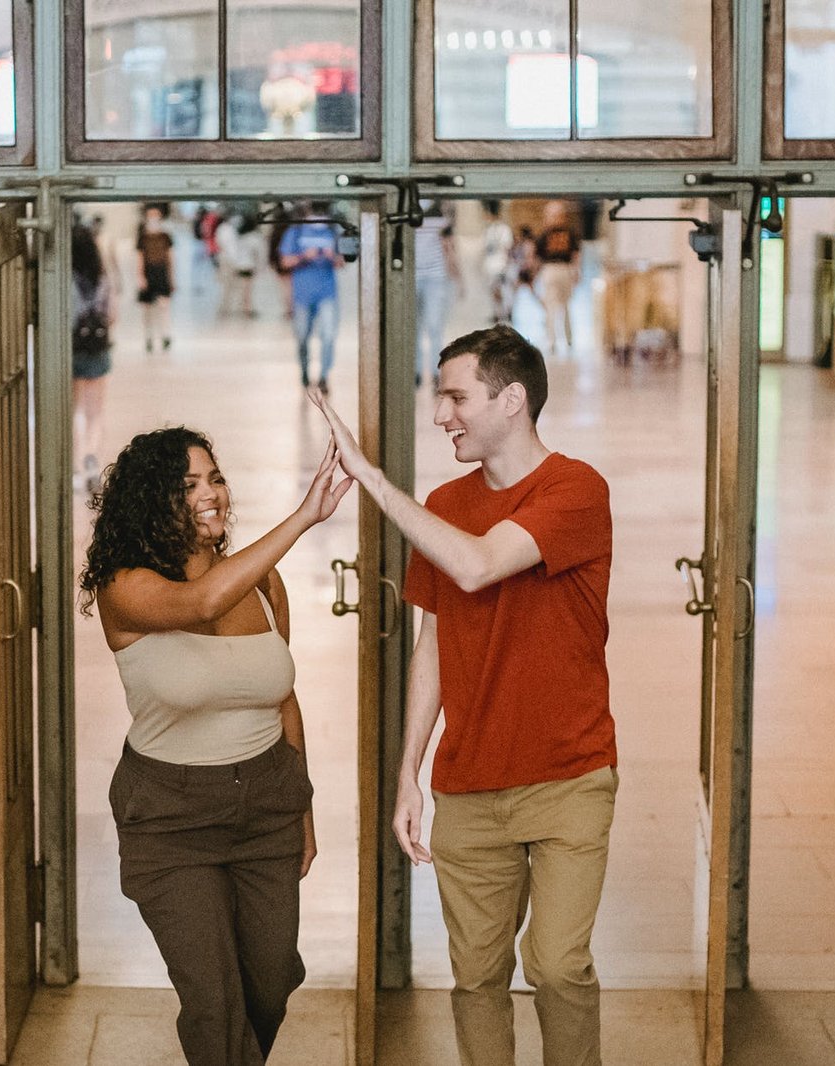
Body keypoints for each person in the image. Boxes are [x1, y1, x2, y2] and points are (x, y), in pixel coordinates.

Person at [310, 324, 616, 1066]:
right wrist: (407, 772)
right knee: (477, 976)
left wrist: (376, 482)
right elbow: (435, 643)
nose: (442, 414)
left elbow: (480, 566)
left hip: (568, 777)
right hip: (469, 784)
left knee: (555, 965)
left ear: (511, 400)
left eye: (456, 397)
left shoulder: (576, 489)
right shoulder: (447, 500)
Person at [79, 427, 353, 1066]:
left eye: (215, 479)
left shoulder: (264, 583)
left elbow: (285, 698)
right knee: (214, 1002)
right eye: (188, 486)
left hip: (267, 808)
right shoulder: (127, 586)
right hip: (171, 819)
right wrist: (307, 516)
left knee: (273, 979)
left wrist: (302, 813)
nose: (211, 495)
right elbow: (201, 603)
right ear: (151, 501)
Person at [278, 202, 342, 393]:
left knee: (328, 335)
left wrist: (332, 257)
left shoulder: (333, 230)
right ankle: (305, 371)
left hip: (327, 293)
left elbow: (342, 262)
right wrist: (304, 256)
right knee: (302, 337)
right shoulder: (295, 232)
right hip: (302, 295)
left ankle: (323, 376)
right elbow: (284, 261)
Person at [72, 222, 116, 495]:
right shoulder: (103, 278)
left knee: (71, 411)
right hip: (97, 349)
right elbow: (113, 316)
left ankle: (74, 467)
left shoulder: (62, 278)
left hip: (69, 350)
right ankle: (90, 460)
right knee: (94, 414)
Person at [414, 199, 465, 389]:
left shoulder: (438, 219)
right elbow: (450, 250)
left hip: (434, 278)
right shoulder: (414, 215)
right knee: (423, 328)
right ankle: (419, 372)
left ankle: (431, 373)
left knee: (431, 327)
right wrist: (460, 280)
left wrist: (458, 279)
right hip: (419, 277)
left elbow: (449, 249)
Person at [534, 201, 581, 356]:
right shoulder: (567, 233)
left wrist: (576, 270)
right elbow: (576, 254)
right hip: (557, 269)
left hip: (556, 269)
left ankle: (559, 340)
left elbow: (537, 257)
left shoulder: (548, 234)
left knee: (557, 307)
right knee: (559, 307)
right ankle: (560, 340)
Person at [137, 203, 176, 352]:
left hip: (161, 273)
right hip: (148, 273)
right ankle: (149, 337)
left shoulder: (165, 236)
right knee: (147, 309)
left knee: (164, 306)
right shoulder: (143, 237)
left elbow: (170, 258)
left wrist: (172, 278)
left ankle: (165, 335)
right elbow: (139, 258)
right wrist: (140, 277)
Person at [480, 200, 515, 326]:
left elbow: (507, 248)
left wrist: (506, 264)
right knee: (495, 290)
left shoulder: (502, 229)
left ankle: (505, 313)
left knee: (503, 290)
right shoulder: (489, 230)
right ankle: (499, 313)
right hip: (492, 265)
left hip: (500, 264)